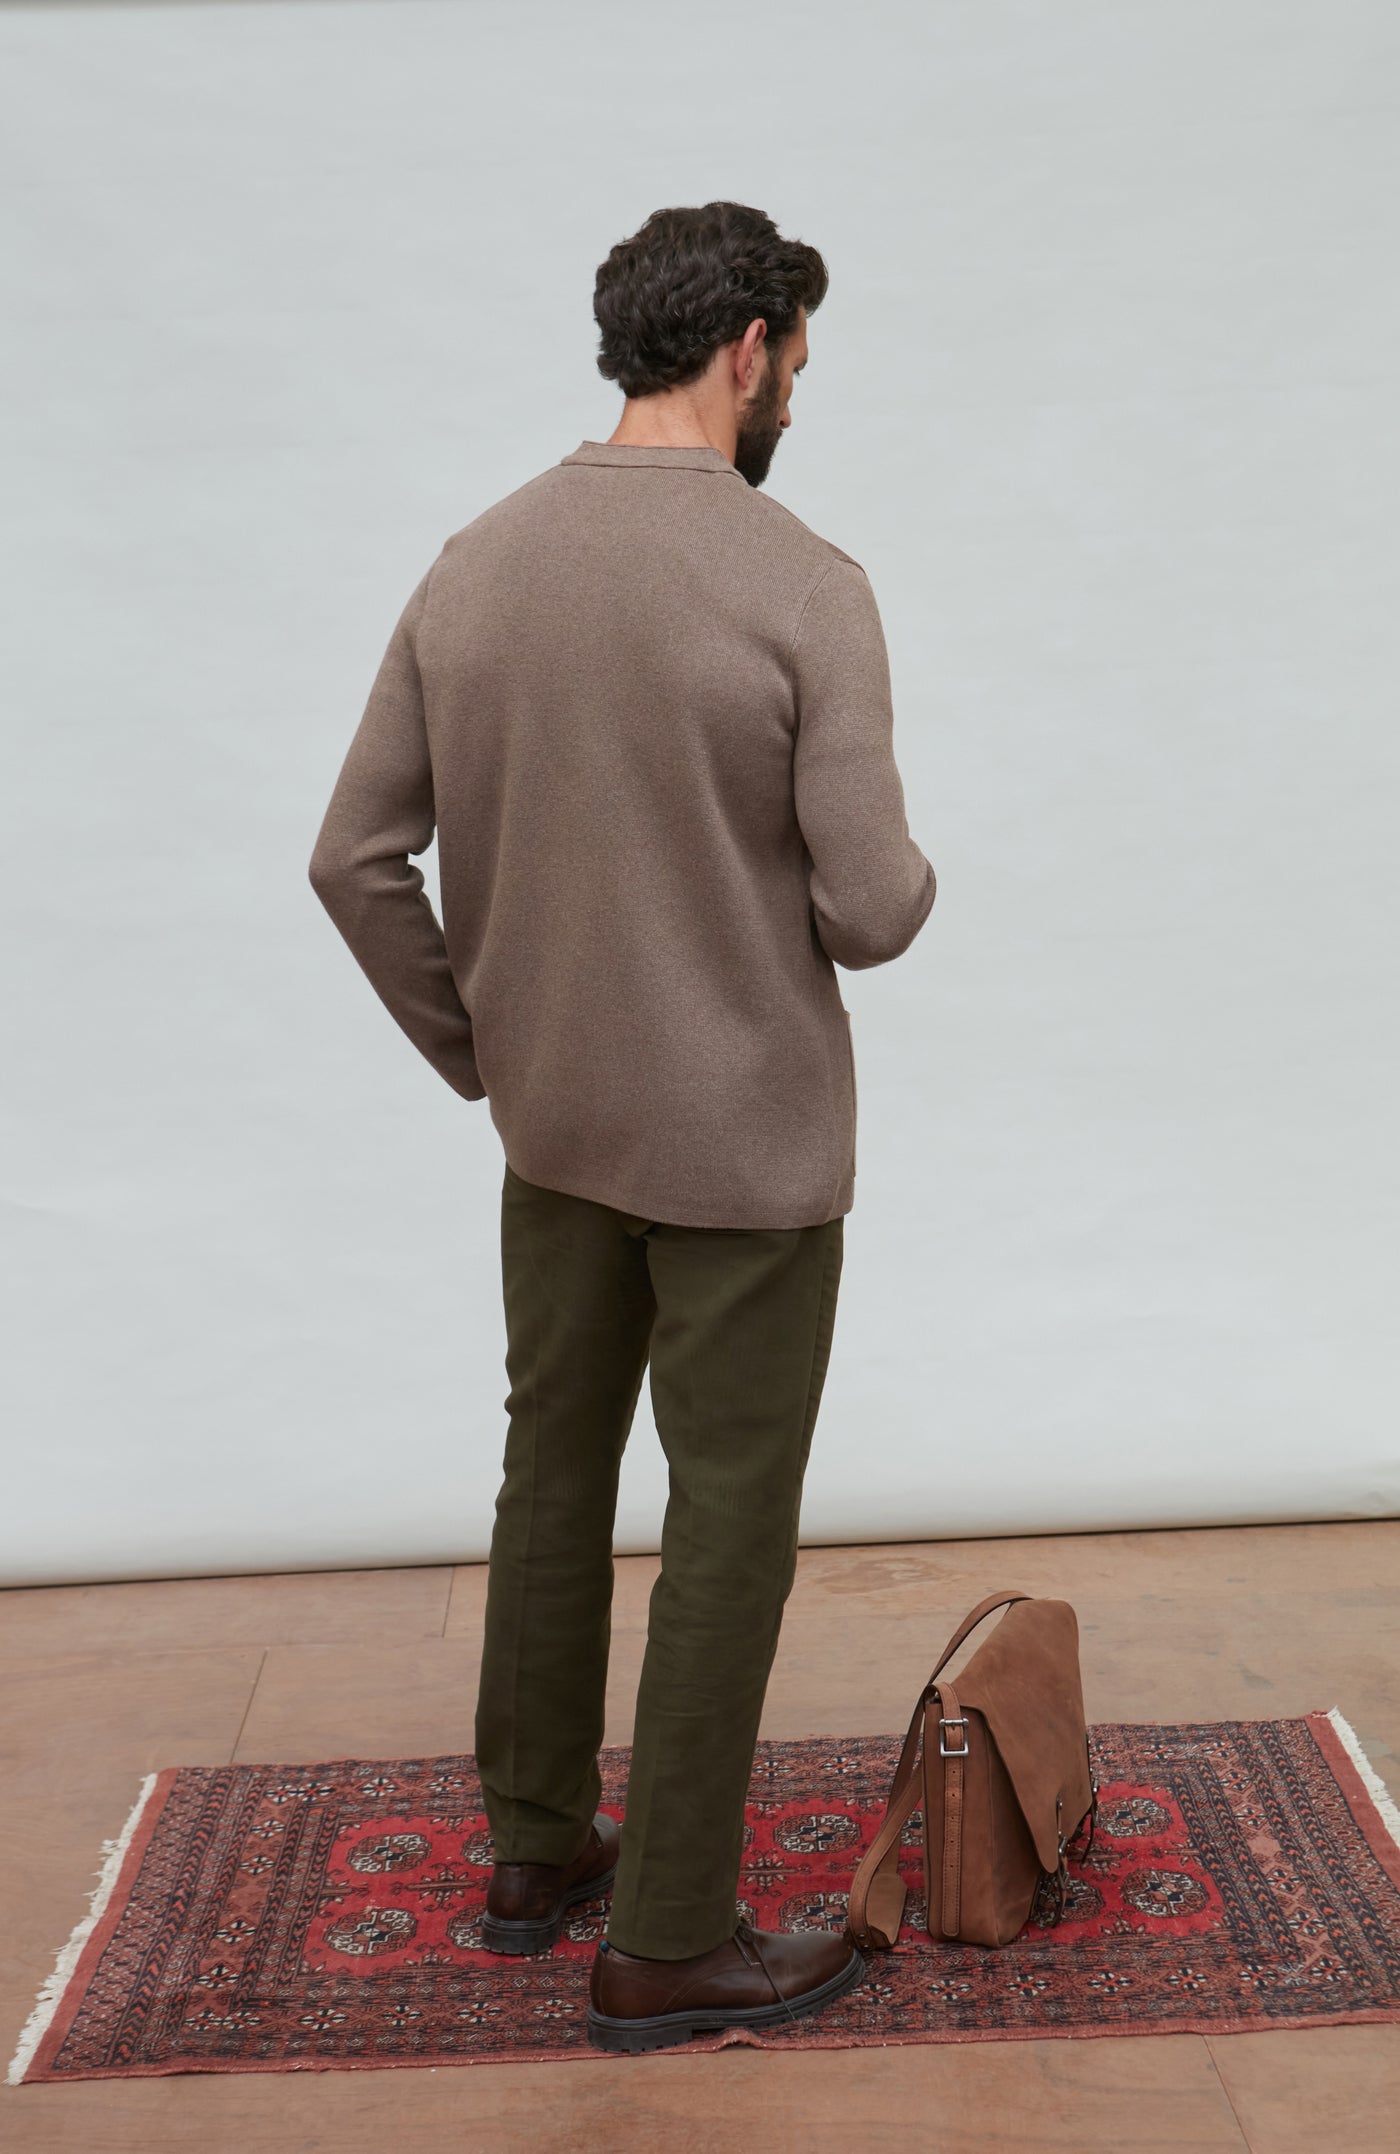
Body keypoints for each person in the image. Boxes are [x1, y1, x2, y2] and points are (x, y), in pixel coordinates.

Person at [307, 200, 936, 2053]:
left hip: (557, 1132)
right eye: (799, 365)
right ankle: (668, 1936)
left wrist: (485, 1043)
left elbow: (352, 857)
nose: (799, 398)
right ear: (746, 347)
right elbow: (874, 905)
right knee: (727, 1521)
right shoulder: (805, 582)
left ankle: (532, 1850)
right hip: (743, 1149)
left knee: (551, 1472)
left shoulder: (474, 564)